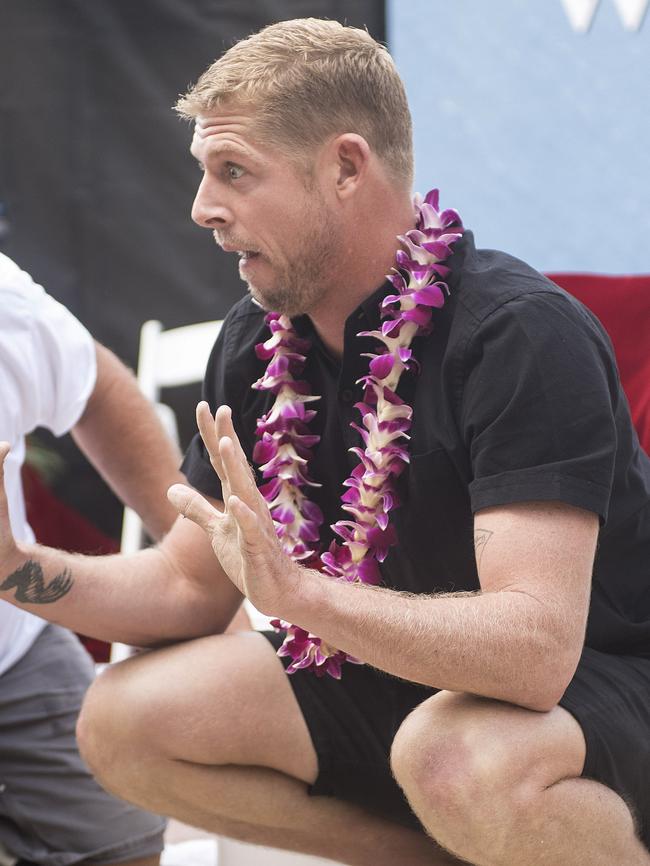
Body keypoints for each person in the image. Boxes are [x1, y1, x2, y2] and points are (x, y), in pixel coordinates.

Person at [1, 18, 649, 866]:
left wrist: (300, 595)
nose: (202, 208)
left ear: (346, 166)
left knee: (450, 754)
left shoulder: (520, 335)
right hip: (396, 677)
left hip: (595, 684)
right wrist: (12, 567)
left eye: (234, 172)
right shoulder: (255, 341)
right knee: (127, 719)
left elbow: (534, 653)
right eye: (203, 172)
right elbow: (187, 591)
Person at [0, 251, 182, 866]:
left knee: (125, 835)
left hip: (15, 648)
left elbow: (93, 385)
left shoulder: (4, 302)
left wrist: (198, 566)